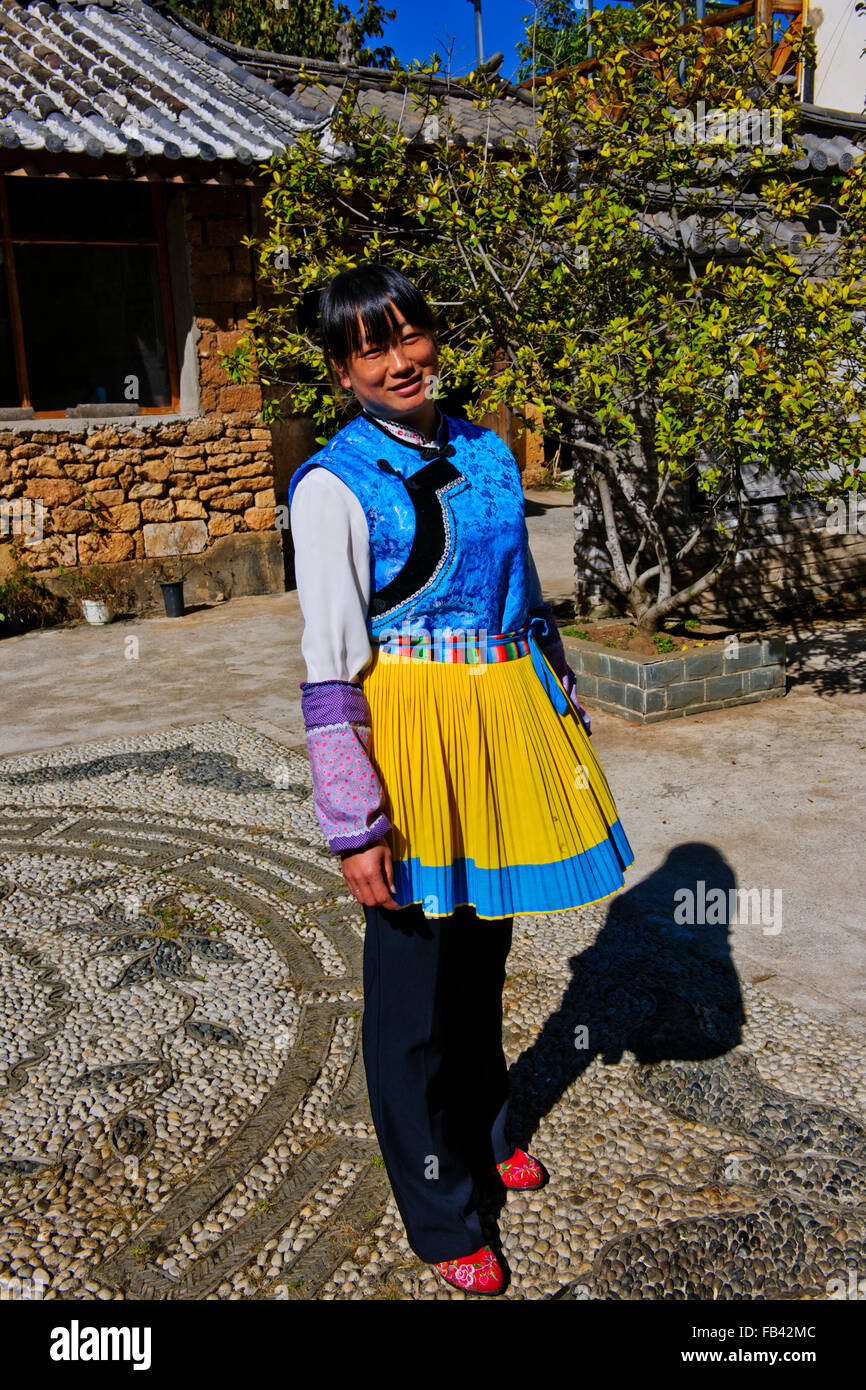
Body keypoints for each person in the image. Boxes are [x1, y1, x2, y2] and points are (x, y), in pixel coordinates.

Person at [288, 263, 634, 1295]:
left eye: (409, 336)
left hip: (501, 719)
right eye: (368, 348)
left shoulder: (485, 451)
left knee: (482, 958)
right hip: (408, 735)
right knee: (411, 994)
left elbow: (524, 598)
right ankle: (440, 1211)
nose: (398, 362)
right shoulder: (332, 485)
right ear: (342, 369)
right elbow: (328, 664)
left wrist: (558, 704)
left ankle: (482, 1132)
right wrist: (355, 822)